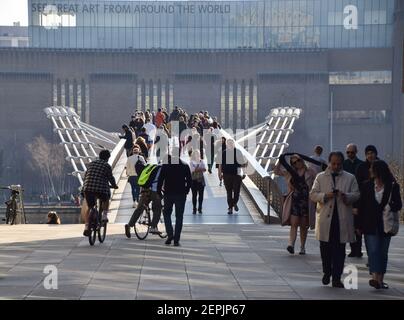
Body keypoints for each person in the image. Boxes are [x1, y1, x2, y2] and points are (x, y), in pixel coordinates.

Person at [310, 151, 360, 288]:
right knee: (325, 249)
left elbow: (356, 194)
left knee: (340, 250)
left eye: (339, 164)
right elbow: (313, 194)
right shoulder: (320, 177)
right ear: (329, 163)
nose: (336, 166)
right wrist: (325, 196)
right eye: (333, 164)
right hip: (326, 220)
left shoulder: (350, 178)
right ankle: (327, 272)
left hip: (342, 219)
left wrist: (346, 197)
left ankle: (337, 278)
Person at [358, 160, 402, 289]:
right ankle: (375, 279)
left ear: (379, 170)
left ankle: (380, 280)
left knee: (383, 252)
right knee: (373, 251)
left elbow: (399, 205)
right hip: (370, 223)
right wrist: (358, 225)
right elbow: (362, 206)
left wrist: (390, 205)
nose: (370, 170)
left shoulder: (393, 186)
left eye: (372, 168)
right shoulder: (366, 185)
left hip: (386, 223)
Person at [274, 153, 318, 255]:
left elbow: (318, 182)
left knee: (303, 225)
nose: (297, 163)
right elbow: (276, 171)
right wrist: (281, 159)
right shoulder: (290, 172)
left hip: (306, 201)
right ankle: (291, 245)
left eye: (298, 160)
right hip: (294, 200)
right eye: (294, 162)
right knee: (294, 224)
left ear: (302, 160)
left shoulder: (310, 172)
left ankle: (302, 247)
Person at [157, 147, 192, 246]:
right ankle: (176, 239)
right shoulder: (185, 165)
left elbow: (160, 180)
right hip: (181, 194)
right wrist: (186, 190)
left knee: (166, 214)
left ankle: (170, 234)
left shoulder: (166, 165)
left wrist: (159, 192)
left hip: (168, 193)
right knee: (179, 217)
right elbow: (189, 181)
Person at [81, 150, 119, 237]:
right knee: (106, 199)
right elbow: (110, 178)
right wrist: (114, 185)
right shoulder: (106, 165)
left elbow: (86, 175)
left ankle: (87, 227)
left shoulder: (91, 164)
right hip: (100, 189)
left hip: (88, 188)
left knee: (90, 207)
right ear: (108, 158)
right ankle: (104, 215)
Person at [125, 163, 164, 237]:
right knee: (157, 208)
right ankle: (153, 227)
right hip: (154, 191)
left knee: (139, 208)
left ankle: (129, 225)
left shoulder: (154, 166)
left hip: (145, 189)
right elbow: (162, 182)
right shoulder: (164, 169)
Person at [343, 143, 365, 258]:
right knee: (350, 226)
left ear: (356, 152)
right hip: (346, 198)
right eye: (348, 152)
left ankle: (358, 249)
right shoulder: (343, 164)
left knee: (358, 226)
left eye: (352, 152)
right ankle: (353, 249)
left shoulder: (361, 164)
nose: (350, 154)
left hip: (358, 198)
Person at [217, 139, 246, 215]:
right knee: (229, 192)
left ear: (233, 144)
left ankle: (234, 203)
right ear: (227, 144)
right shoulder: (224, 153)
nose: (230, 145)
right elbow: (220, 164)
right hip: (227, 175)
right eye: (229, 143)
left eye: (231, 143)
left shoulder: (238, 152)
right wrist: (219, 174)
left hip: (237, 175)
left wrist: (244, 173)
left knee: (237, 192)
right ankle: (230, 207)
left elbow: (242, 164)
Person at [189, 149, 207, 214]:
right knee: (194, 195)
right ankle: (194, 208)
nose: (197, 155)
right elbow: (192, 170)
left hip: (201, 180)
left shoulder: (201, 161)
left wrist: (198, 169)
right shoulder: (191, 162)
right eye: (196, 154)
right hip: (193, 181)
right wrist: (200, 169)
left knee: (201, 195)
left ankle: (200, 207)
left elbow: (205, 169)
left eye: (198, 154)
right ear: (193, 155)